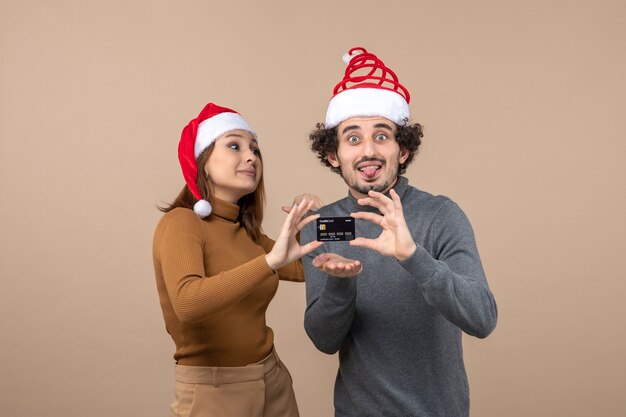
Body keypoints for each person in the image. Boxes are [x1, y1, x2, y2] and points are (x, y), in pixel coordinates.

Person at [301, 47, 498, 417]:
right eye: (353, 138)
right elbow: (324, 340)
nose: (369, 151)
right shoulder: (323, 226)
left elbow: (483, 319)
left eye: (382, 135)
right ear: (333, 154)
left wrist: (413, 257)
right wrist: (341, 282)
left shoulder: (441, 215)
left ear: (402, 149)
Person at [153, 102, 322, 417]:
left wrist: (306, 229)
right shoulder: (182, 222)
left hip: (273, 381)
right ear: (203, 161)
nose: (251, 157)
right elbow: (188, 304)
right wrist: (268, 262)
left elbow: (303, 269)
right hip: (212, 393)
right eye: (234, 145)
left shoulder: (246, 231)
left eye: (255, 150)